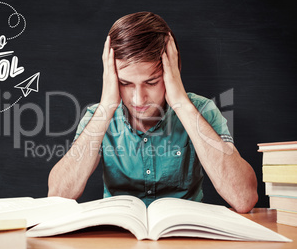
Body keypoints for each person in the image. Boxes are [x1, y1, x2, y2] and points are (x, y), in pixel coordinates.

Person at [48, 11, 258, 213]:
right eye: (125, 83)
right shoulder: (97, 116)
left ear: (172, 73)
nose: (139, 99)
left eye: (151, 82)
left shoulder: (202, 110)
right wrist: (106, 107)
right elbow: (58, 195)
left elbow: (243, 198)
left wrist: (181, 103)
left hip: (185, 239)